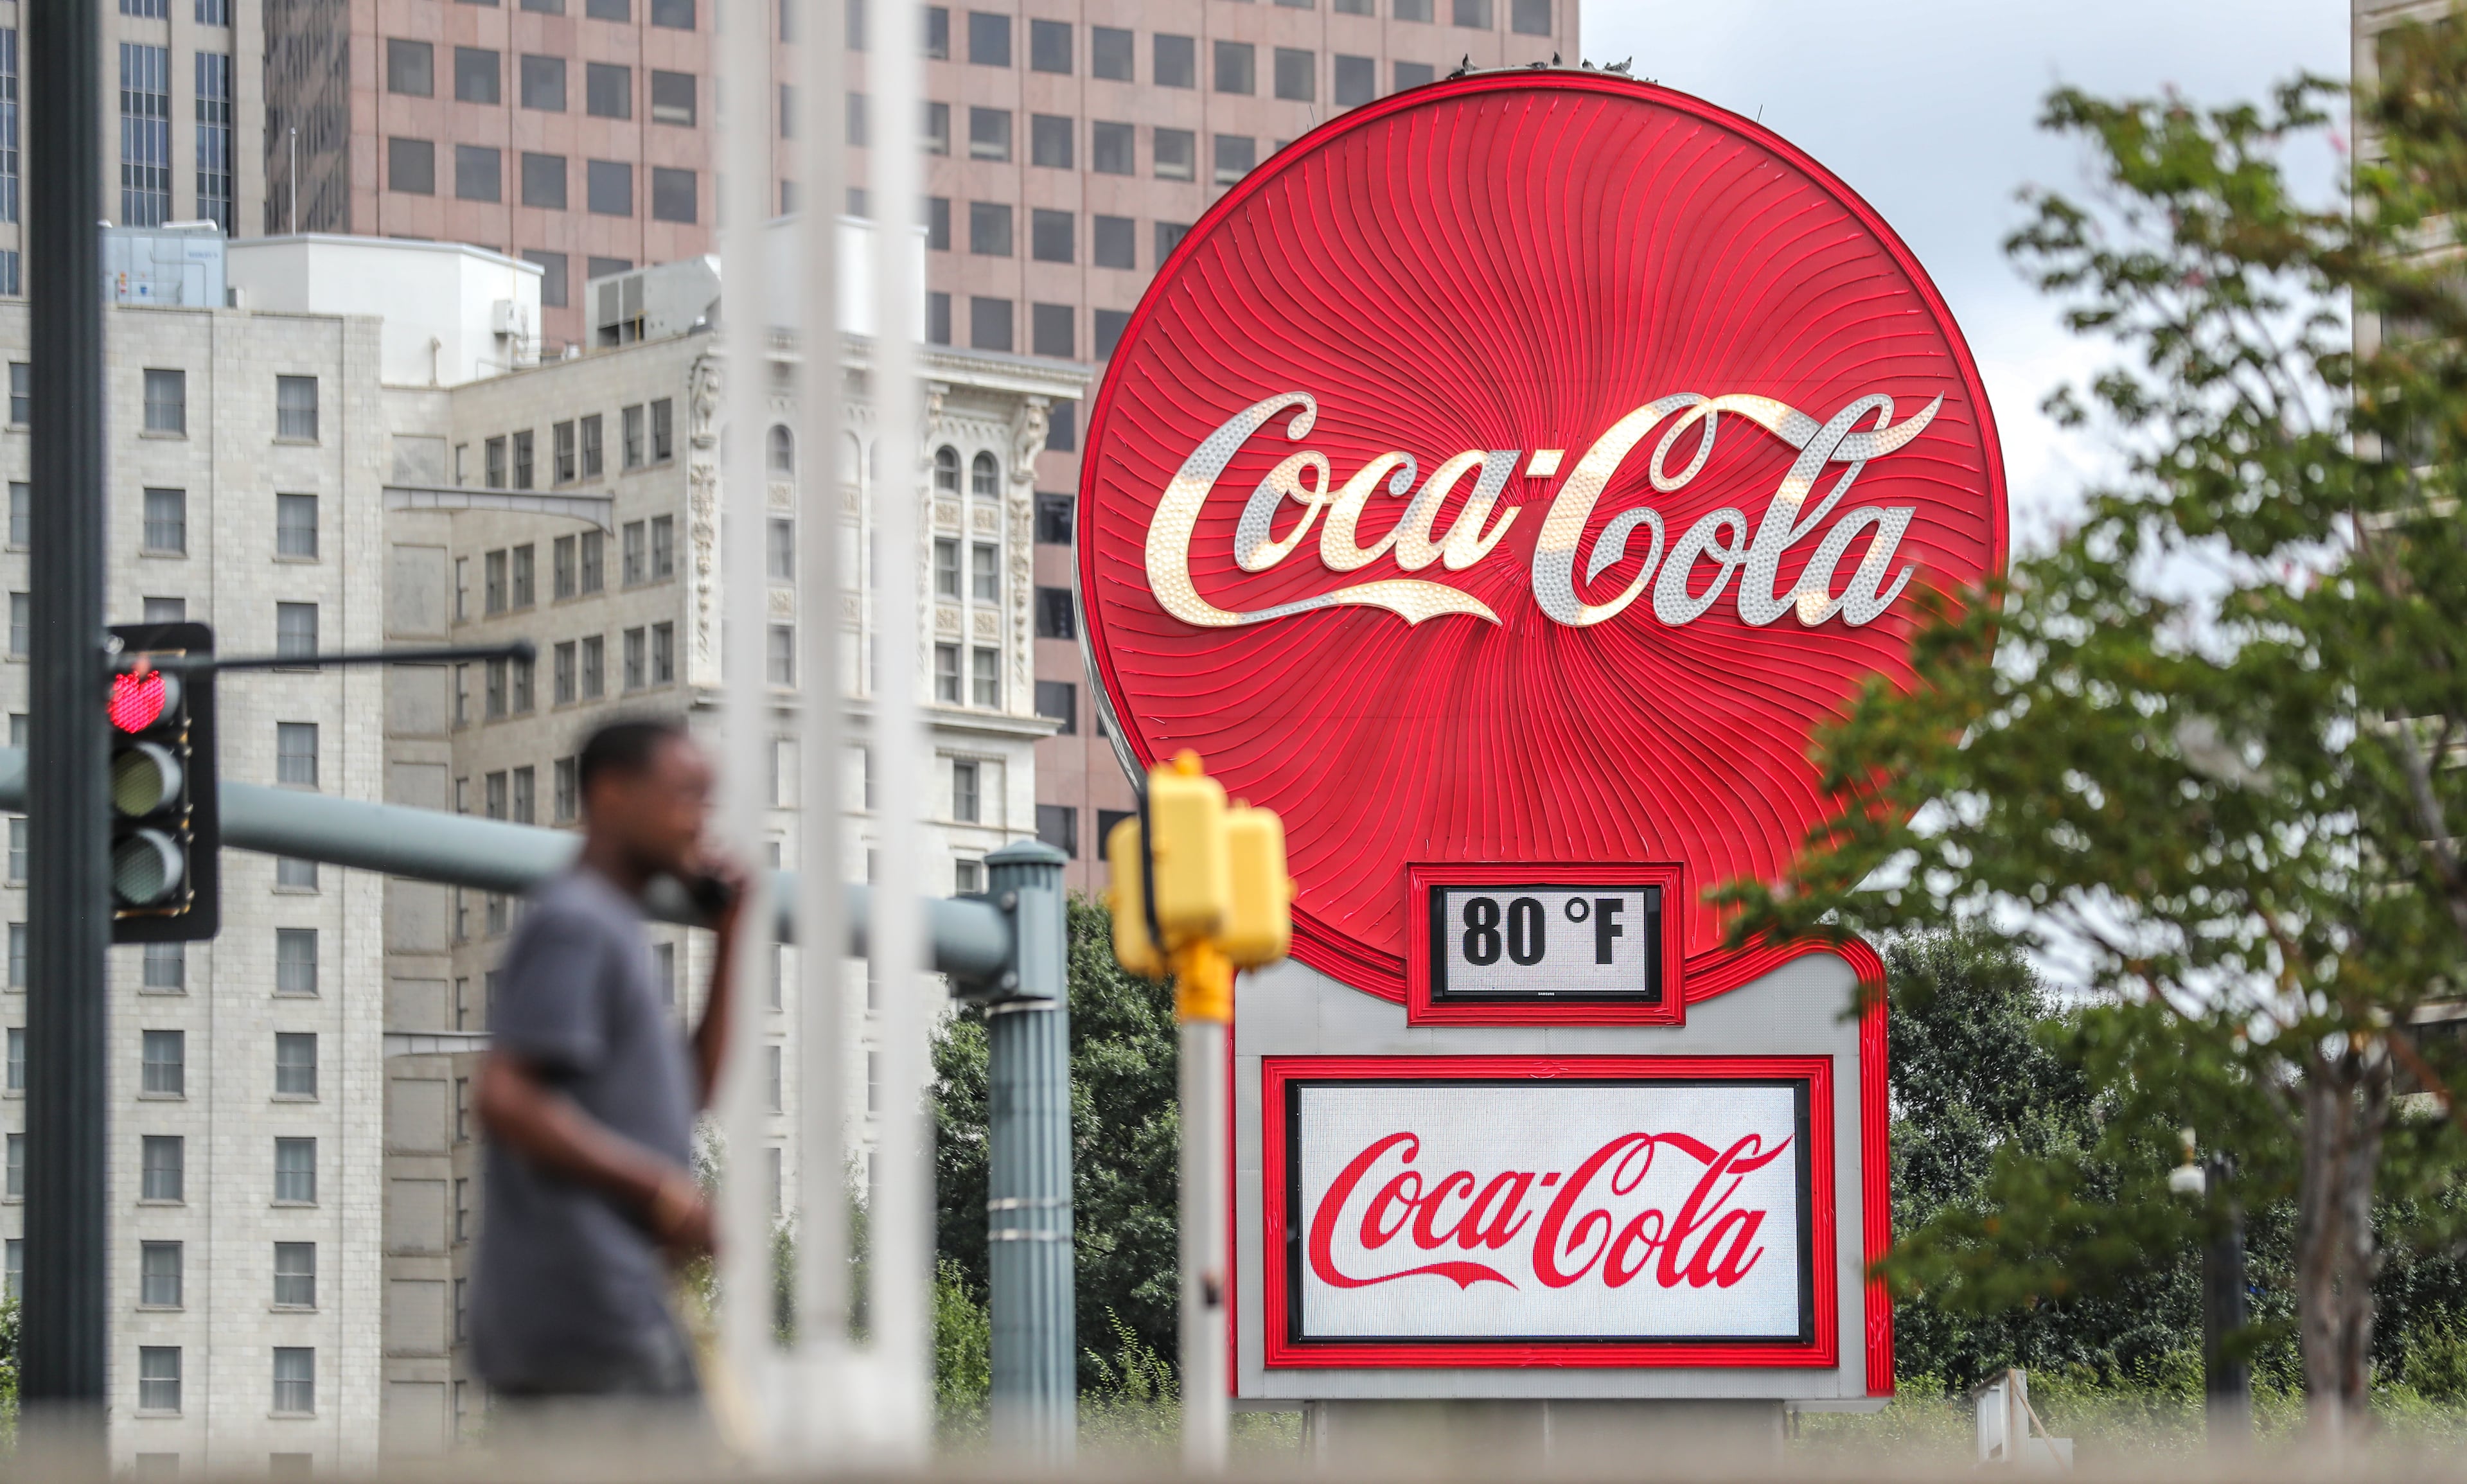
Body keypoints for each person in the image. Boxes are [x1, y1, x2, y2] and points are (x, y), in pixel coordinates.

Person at [471, 716, 745, 1410]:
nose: (701, 823)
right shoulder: (578, 923)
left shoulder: (612, 928)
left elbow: (693, 1093)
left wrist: (733, 938)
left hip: (613, 1311)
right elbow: (505, 1096)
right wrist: (659, 1191)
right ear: (613, 795)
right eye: (688, 796)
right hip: (587, 1318)